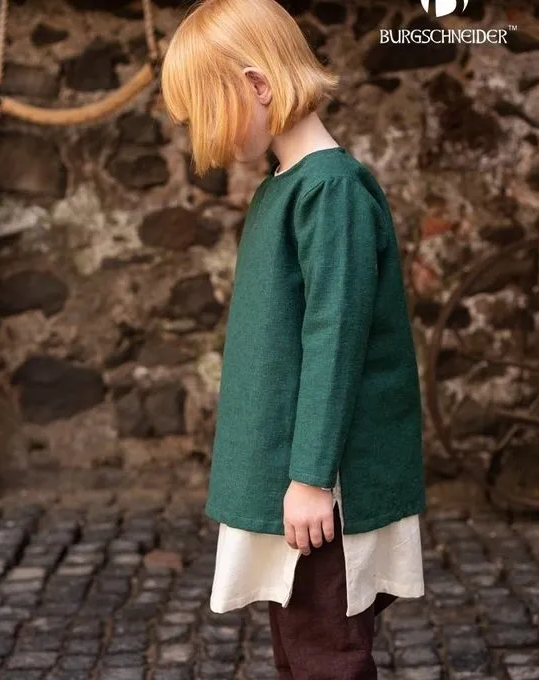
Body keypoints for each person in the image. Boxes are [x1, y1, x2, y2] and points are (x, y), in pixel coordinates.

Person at [161, 1, 427, 677]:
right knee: (300, 651)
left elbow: (336, 340)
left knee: (325, 658)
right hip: (294, 485)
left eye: (207, 111)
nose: (203, 135)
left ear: (257, 85)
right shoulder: (286, 186)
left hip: (322, 490)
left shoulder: (330, 191)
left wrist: (310, 478)